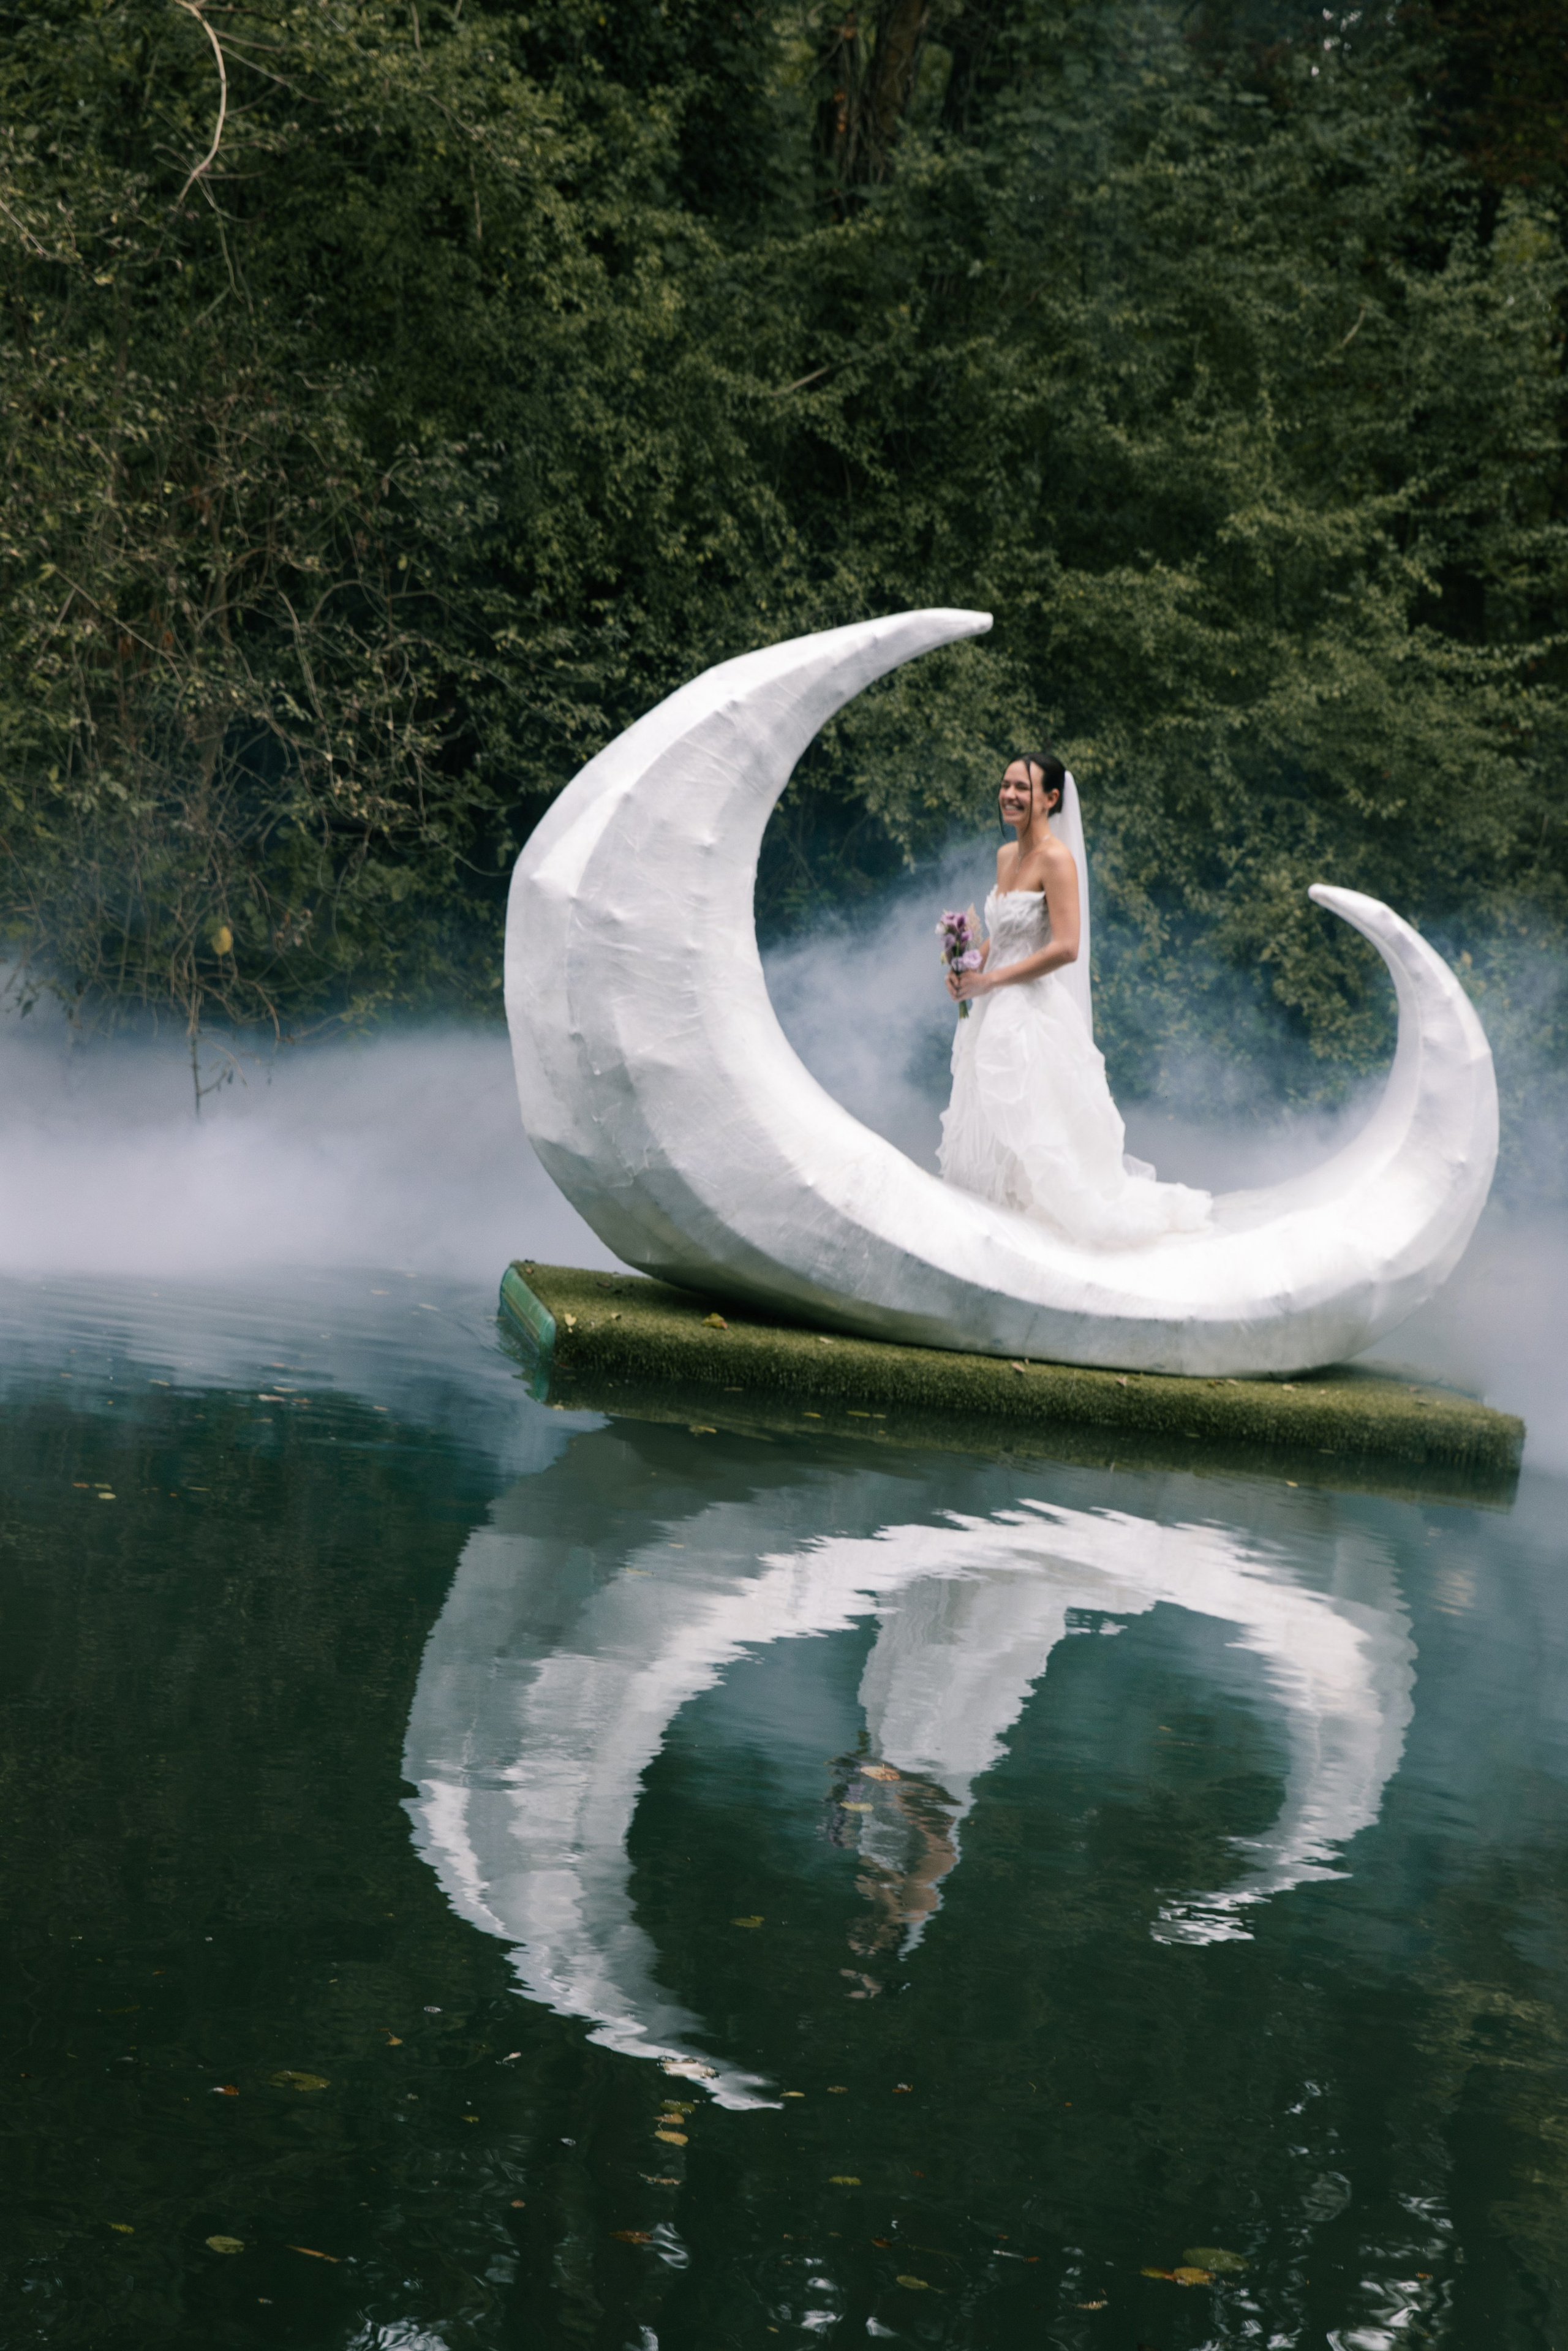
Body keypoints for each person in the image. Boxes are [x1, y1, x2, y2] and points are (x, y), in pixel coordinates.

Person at [937, 752, 1212, 1250]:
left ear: (1050, 798)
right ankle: (986, 1235)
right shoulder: (1005, 856)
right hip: (992, 1005)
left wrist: (992, 980)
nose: (1010, 795)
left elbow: (1065, 947)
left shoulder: (1057, 859)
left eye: (1022, 787)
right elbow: (1000, 933)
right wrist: (967, 967)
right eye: (1005, 785)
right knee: (985, 1118)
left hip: (1029, 1011)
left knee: (1030, 1119)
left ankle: (1040, 1239)